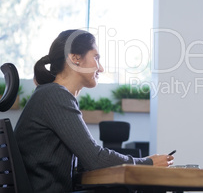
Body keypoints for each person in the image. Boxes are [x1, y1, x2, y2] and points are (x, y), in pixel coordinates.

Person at [15, 29, 174, 193]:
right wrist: (148, 163)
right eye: (96, 58)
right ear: (75, 58)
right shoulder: (55, 96)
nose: (102, 68)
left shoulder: (51, 94)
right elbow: (95, 158)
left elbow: (89, 158)